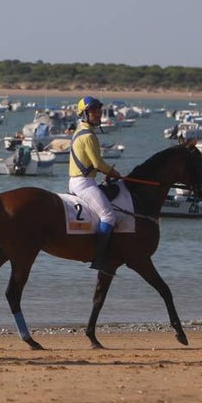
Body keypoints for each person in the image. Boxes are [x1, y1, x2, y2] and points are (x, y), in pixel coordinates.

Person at [68, 96, 122, 274]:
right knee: (109, 216)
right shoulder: (89, 136)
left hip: (79, 181)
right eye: (94, 111)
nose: (98, 114)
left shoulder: (79, 131)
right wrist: (115, 174)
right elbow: (98, 164)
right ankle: (99, 258)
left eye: (99, 111)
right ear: (84, 114)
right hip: (84, 183)